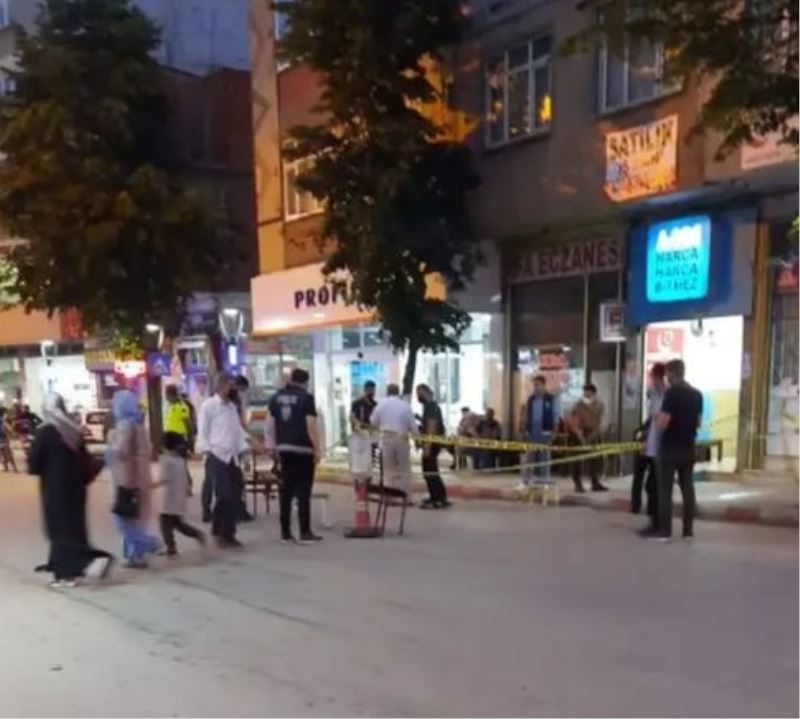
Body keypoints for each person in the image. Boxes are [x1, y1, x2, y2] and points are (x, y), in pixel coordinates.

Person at [28, 393, 113, 587]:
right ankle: (66, 567)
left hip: (54, 490)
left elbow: (33, 465)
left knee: (59, 531)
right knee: (75, 529)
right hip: (76, 490)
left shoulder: (44, 433)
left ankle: (70, 572)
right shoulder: (73, 430)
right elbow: (85, 462)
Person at [267, 368, 323, 544]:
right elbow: (310, 424)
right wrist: (317, 449)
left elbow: (269, 425)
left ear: (291, 379)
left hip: (283, 449)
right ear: (306, 382)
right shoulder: (307, 398)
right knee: (303, 492)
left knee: (286, 492)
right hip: (303, 450)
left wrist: (272, 448)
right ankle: (304, 532)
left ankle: (285, 533)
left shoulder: (275, 398)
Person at [108, 390, 161, 568]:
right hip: (142, 479)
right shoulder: (139, 425)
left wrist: (111, 443)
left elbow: (121, 452)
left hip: (128, 479)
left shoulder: (125, 425)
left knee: (123, 519)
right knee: (136, 518)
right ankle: (136, 556)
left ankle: (148, 544)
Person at [652, 359, 703, 541]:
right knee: (688, 489)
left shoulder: (671, 394)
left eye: (667, 374)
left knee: (665, 491)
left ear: (672, 374)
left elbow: (663, 422)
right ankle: (688, 531)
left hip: (670, 448)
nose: (666, 378)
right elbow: (698, 423)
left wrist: (656, 418)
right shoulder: (697, 395)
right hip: (688, 447)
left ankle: (665, 531)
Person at [198, 375, 246, 548]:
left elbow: (237, 432)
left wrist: (245, 447)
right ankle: (220, 531)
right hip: (216, 456)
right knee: (224, 495)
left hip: (232, 457)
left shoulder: (232, 407)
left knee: (235, 495)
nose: (233, 389)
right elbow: (202, 431)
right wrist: (207, 451)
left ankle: (227, 533)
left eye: (234, 386)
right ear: (221, 386)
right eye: (230, 386)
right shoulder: (209, 406)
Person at [155, 432, 206, 557]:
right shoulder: (180, 460)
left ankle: (171, 547)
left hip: (168, 498)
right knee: (178, 524)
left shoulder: (166, 461)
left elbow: (163, 478)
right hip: (178, 497)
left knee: (165, 524)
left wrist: (150, 486)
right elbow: (186, 480)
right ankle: (196, 534)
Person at [632, 363, 666, 526]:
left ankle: (657, 520)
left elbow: (660, 420)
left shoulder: (667, 395)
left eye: (652, 376)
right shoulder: (654, 394)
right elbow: (652, 419)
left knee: (654, 484)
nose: (651, 380)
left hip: (660, 448)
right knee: (649, 483)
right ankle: (649, 516)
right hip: (650, 446)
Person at [370, 383, 417, 495]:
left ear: (387, 392)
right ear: (398, 392)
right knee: (404, 468)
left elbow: (373, 422)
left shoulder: (381, 405)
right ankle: (406, 494)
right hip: (402, 439)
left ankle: (389, 495)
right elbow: (413, 425)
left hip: (386, 439)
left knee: (388, 469)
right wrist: (417, 439)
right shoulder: (405, 405)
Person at [518, 375, 558, 490]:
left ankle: (545, 480)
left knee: (544, 458)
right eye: (534, 385)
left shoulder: (551, 399)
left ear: (543, 385)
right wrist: (524, 429)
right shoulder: (531, 399)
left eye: (537, 385)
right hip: (532, 433)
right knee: (529, 458)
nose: (535, 387)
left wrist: (554, 432)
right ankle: (526, 480)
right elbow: (526, 415)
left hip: (545, 433)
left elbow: (556, 416)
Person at [567, 383, 608, 493]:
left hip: (592, 433)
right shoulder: (577, 405)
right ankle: (578, 484)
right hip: (577, 434)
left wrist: (591, 437)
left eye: (589, 395)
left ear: (594, 395)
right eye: (585, 395)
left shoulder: (600, 406)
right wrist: (580, 436)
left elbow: (599, 423)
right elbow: (572, 421)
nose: (586, 398)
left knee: (594, 459)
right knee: (576, 461)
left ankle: (595, 482)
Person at [416, 384, 450, 509]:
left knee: (429, 471)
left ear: (425, 392)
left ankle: (437, 498)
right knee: (431, 470)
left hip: (431, 443)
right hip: (434, 442)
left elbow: (432, 426)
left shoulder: (430, 406)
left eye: (419, 393)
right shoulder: (432, 406)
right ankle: (437, 496)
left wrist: (427, 445)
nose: (418, 396)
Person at [0, 406, 17, 472]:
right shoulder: (3, 420)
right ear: (3, 413)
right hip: (3, 439)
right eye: (6, 413)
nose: (6, 415)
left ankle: (6, 468)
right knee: (9, 453)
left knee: (3, 453)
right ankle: (14, 468)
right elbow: (9, 429)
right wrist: (13, 425)